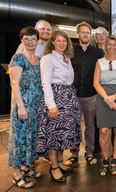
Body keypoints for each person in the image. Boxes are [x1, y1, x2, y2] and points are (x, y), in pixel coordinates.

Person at [36, 30, 82, 183]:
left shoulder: (67, 58)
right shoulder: (48, 58)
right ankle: (54, 167)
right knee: (54, 135)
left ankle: (61, 162)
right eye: (59, 40)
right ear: (53, 42)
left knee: (63, 134)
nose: (62, 43)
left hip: (68, 99)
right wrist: (51, 105)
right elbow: (46, 83)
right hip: (55, 100)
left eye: (65, 41)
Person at [8, 27, 44, 189]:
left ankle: (26, 167)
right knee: (20, 139)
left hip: (36, 107)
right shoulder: (18, 58)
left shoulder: (38, 58)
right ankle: (17, 175)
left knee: (31, 138)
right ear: (22, 40)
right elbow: (14, 84)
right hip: (23, 107)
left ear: (38, 41)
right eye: (27, 38)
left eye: (33, 39)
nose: (30, 42)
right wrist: (21, 107)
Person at [64, 22, 104, 166]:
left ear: (90, 34)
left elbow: (103, 75)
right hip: (74, 95)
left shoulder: (98, 53)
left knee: (90, 126)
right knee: (74, 125)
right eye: (82, 32)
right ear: (78, 34)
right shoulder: (70, 51)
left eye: (88, 32)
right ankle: (74, 153)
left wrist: (100, 94)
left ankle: (89, 152)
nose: (85, 34)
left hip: (91, 95)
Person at [93, 35, 116, 176]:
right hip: (103, 97)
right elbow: (96, 83)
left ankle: (114, 159)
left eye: (114, 44)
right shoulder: (99, 62)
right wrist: (107, 98)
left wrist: (114, 97)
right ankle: (105, 159)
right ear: (105, 46)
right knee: (103, 131)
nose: (112, 47)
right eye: (109, 44)